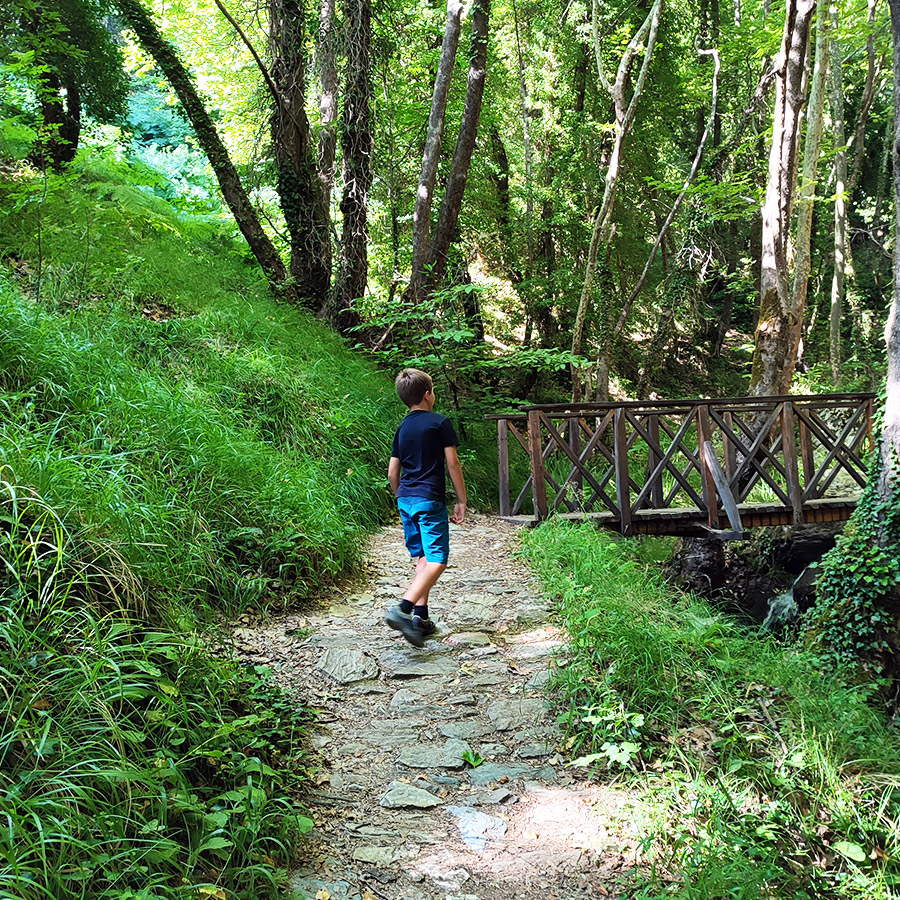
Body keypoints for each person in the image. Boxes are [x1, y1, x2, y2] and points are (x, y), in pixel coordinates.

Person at [385, 368, 467, 648]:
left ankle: (420, 619)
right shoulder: (440, 423)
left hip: (406, 499)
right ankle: (403, 609)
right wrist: (462, 500)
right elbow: (453, 464)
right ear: (428, 394)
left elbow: (392, 472)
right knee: (438, 560)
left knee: (422, 557)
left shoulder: (402, 427)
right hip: (429, 499)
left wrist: (401, 498)